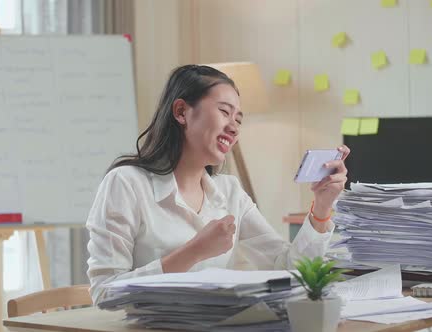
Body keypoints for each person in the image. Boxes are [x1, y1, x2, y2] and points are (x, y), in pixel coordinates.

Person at [86, 64, 350, 304]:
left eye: (238, 120)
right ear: (181, 112)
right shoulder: (126, 184)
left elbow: (289, 268)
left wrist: (323, 207)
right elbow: (105, 291)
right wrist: (193, 252)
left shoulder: (229, 191)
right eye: (224, 112)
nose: (234, 128)